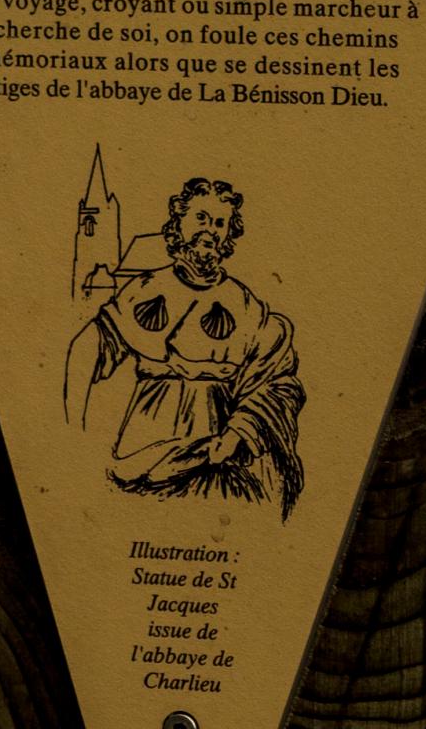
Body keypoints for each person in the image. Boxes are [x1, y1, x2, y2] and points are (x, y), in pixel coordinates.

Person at [65, 177, 305, 520]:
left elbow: (277, 379)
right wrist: (72, 431)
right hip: (144, 442)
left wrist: (238, 433)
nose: (209, 231)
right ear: (178, 223)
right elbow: (91, 344)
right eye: (201, 218)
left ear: (229, 234)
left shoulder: (244, 304)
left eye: (219, 223)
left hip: (216, 445)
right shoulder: (145, 288)